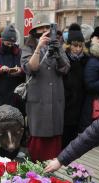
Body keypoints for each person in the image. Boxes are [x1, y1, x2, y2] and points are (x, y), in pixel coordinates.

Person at [21, 16, 70, 162]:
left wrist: (57, 54)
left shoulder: (58, 45)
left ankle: (54, 166)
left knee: (55, 133)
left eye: (47, 28)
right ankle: (35, 167)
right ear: (34, 31)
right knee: (38, 134)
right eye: (40, 28)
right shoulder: (28, 47)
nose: (44, 31)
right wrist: (38, 47)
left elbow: (66, 68)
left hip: (55, 98)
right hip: (38, 98)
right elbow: (30, 68)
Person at [62, 23, 88, 148]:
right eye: (74, 45)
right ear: (69, 45)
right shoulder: (64, 58)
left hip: (80, 102)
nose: (77, 49)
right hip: (66, 102)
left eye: (80, 46)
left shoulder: (86, 59)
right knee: (65, 136)